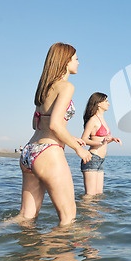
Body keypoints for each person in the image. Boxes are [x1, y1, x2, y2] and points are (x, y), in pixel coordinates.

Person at [18, 42, 91, 226]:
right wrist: (78, 149)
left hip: (29, 152)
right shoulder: (66, 87)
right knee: (68, 218)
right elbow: (55, 125)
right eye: (76, 59)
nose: (78, 63)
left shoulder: (43, 88)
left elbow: (37, 123)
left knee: (25, 218)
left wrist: (69, 136)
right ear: (65, 61)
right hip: (48, 152)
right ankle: (53, 251)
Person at [80, 92, 122, 195]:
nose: (108, 104)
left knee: (99, 195)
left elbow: (101, 140)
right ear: (98, 103)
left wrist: (111, 140)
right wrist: (101, 142)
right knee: (90, 195)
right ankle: (82, 211)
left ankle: (93, 211)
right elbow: (84, 139)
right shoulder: (93, 120)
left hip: (100, 160)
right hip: (92, 158)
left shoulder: (102, 119)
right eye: (106, 101)